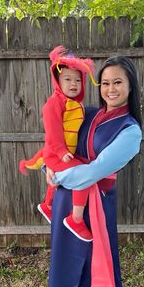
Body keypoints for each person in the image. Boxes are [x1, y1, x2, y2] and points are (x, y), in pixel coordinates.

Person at [45, 56, 142, 287]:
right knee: (65, 260)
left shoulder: (130, 131)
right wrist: (48, 164)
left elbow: (94, 172)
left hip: (95, 206)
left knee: (90, 262)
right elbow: (57, 140)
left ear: (130, 86)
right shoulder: (85, 114)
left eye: (118, 82)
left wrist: (57, 174)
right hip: (66, 203)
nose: (111, 89)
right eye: (105, 83)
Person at [20, 45, 98, 241]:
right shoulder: (54, 103)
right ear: (57, 80)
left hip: (61, 153)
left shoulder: (77, 105)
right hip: (56, 153)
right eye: (68, 79)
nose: (74, 83)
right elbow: (53, 131)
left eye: (78, 80)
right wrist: (61, 151)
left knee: (77, 169)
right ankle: (76, 219)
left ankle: (47, 205)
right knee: (85, 176)